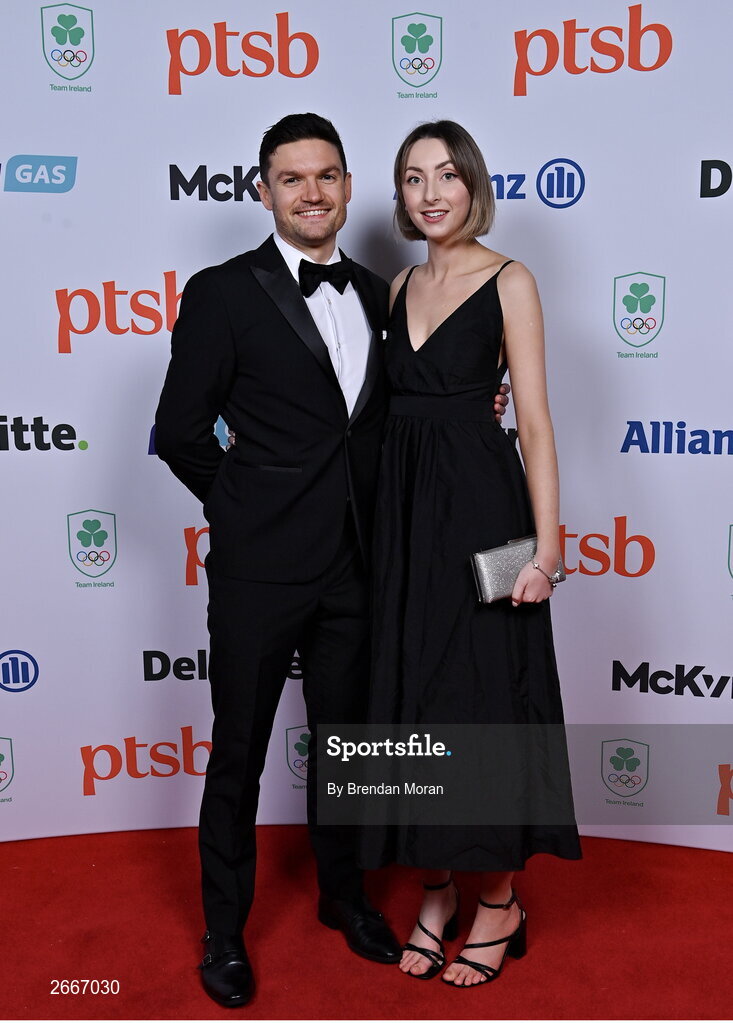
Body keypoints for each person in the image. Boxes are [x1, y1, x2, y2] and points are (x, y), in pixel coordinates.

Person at [155, 111, 511, 1007]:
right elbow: (182, 431)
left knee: (351, 750)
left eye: (326, 176)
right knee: (236, 752)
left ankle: (345, 899)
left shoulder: (381, 291)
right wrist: (243, 509)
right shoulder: (221, 291)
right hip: (259, 569)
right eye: (291, 178)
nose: (311, 192)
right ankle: (225, 932)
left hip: (361, 568)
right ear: (263, 190)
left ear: (351, 188)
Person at [358, 120, 582, 987]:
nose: (430, 193)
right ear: (401, 196)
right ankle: (437, 886)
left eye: (446, 175)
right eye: (413, 178)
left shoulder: (510, 280)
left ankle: (498, 901)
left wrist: (547, 550)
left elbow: (532, 422)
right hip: (403, 523)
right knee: (415, 700)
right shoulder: (398, 285)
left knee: (483, 698)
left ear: (473, 184)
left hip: (486, 518)